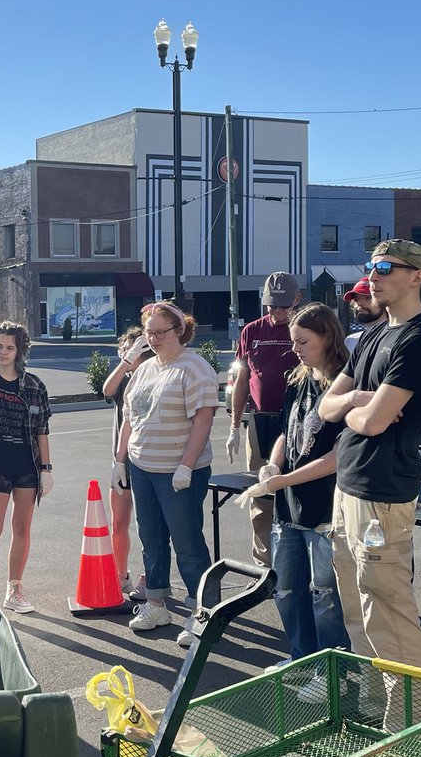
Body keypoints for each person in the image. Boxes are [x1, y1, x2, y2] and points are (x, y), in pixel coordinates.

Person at [318, 240, 421, 728]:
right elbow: (327, 408)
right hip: (348, 485)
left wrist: (359, 406)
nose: (373, 275)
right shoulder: (374, 334)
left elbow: (373, 424)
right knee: (355, 603)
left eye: (385, 267)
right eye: (370, 265)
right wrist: (364, 400)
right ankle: (374, 705)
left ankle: (408, 722)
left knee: (387, 606)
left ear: (416, 276)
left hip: (383, 493)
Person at [241, 304, 351, 698]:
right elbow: (287, 433)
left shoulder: (343, 384)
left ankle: (332, 670)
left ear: (327, 337)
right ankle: (301, 657)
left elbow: (337, 457)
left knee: (325, 595)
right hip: (288, 505)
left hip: (325, 508)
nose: (296, 349)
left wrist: (285, 477)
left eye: (304, 341)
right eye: (293, 341)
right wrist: (272, 466)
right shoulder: (297, 379)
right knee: (287, 588)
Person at [114, 302, 218, 647]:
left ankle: (201, 611)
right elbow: (131, 417)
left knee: (187, 541)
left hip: (178, 471)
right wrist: (120, 460)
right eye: (149, 332)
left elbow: (203, 419)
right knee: (152, 539)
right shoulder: (145, 370)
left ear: (180, 331)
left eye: (162, 331)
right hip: (143, 466)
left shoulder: (194, 367)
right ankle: (156, 603)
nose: (154, 339)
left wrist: (187, 464)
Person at [0, 322, 53, 613]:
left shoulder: (33, 385)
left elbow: (42, 429)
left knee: (22, 528)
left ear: (20, 350)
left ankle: (14, 590)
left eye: (9, 347)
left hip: (26, 467)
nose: (2, 352)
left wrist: (46, 468)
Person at [228, 272, 301, 567]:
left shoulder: (305, 328)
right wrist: (235, 425)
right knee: (260, 494)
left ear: (297, 299)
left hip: (296, 422)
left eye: (284, 305)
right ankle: (264, 564)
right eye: (272, 305)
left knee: (296, 492)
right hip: (259, 420)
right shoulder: (251, 331)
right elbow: (242, 378)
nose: (278, 311)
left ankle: (296, 562)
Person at [102, 327, 154, 598]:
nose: (129, 355)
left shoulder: (155, 375)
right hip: (121, 462)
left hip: (149, 461)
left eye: (135, 350)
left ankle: (150, 576)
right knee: (119, 522)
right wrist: (125, 363)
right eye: (124, 351)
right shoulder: (123, 378)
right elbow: (107, 389)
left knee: (148, 524)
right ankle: (120, 575)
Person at [342, 277, 385, 354]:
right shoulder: (351, 341)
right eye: (356, 299)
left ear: (384, 302)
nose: (360, 303)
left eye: (368, 298)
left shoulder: (397, 337)